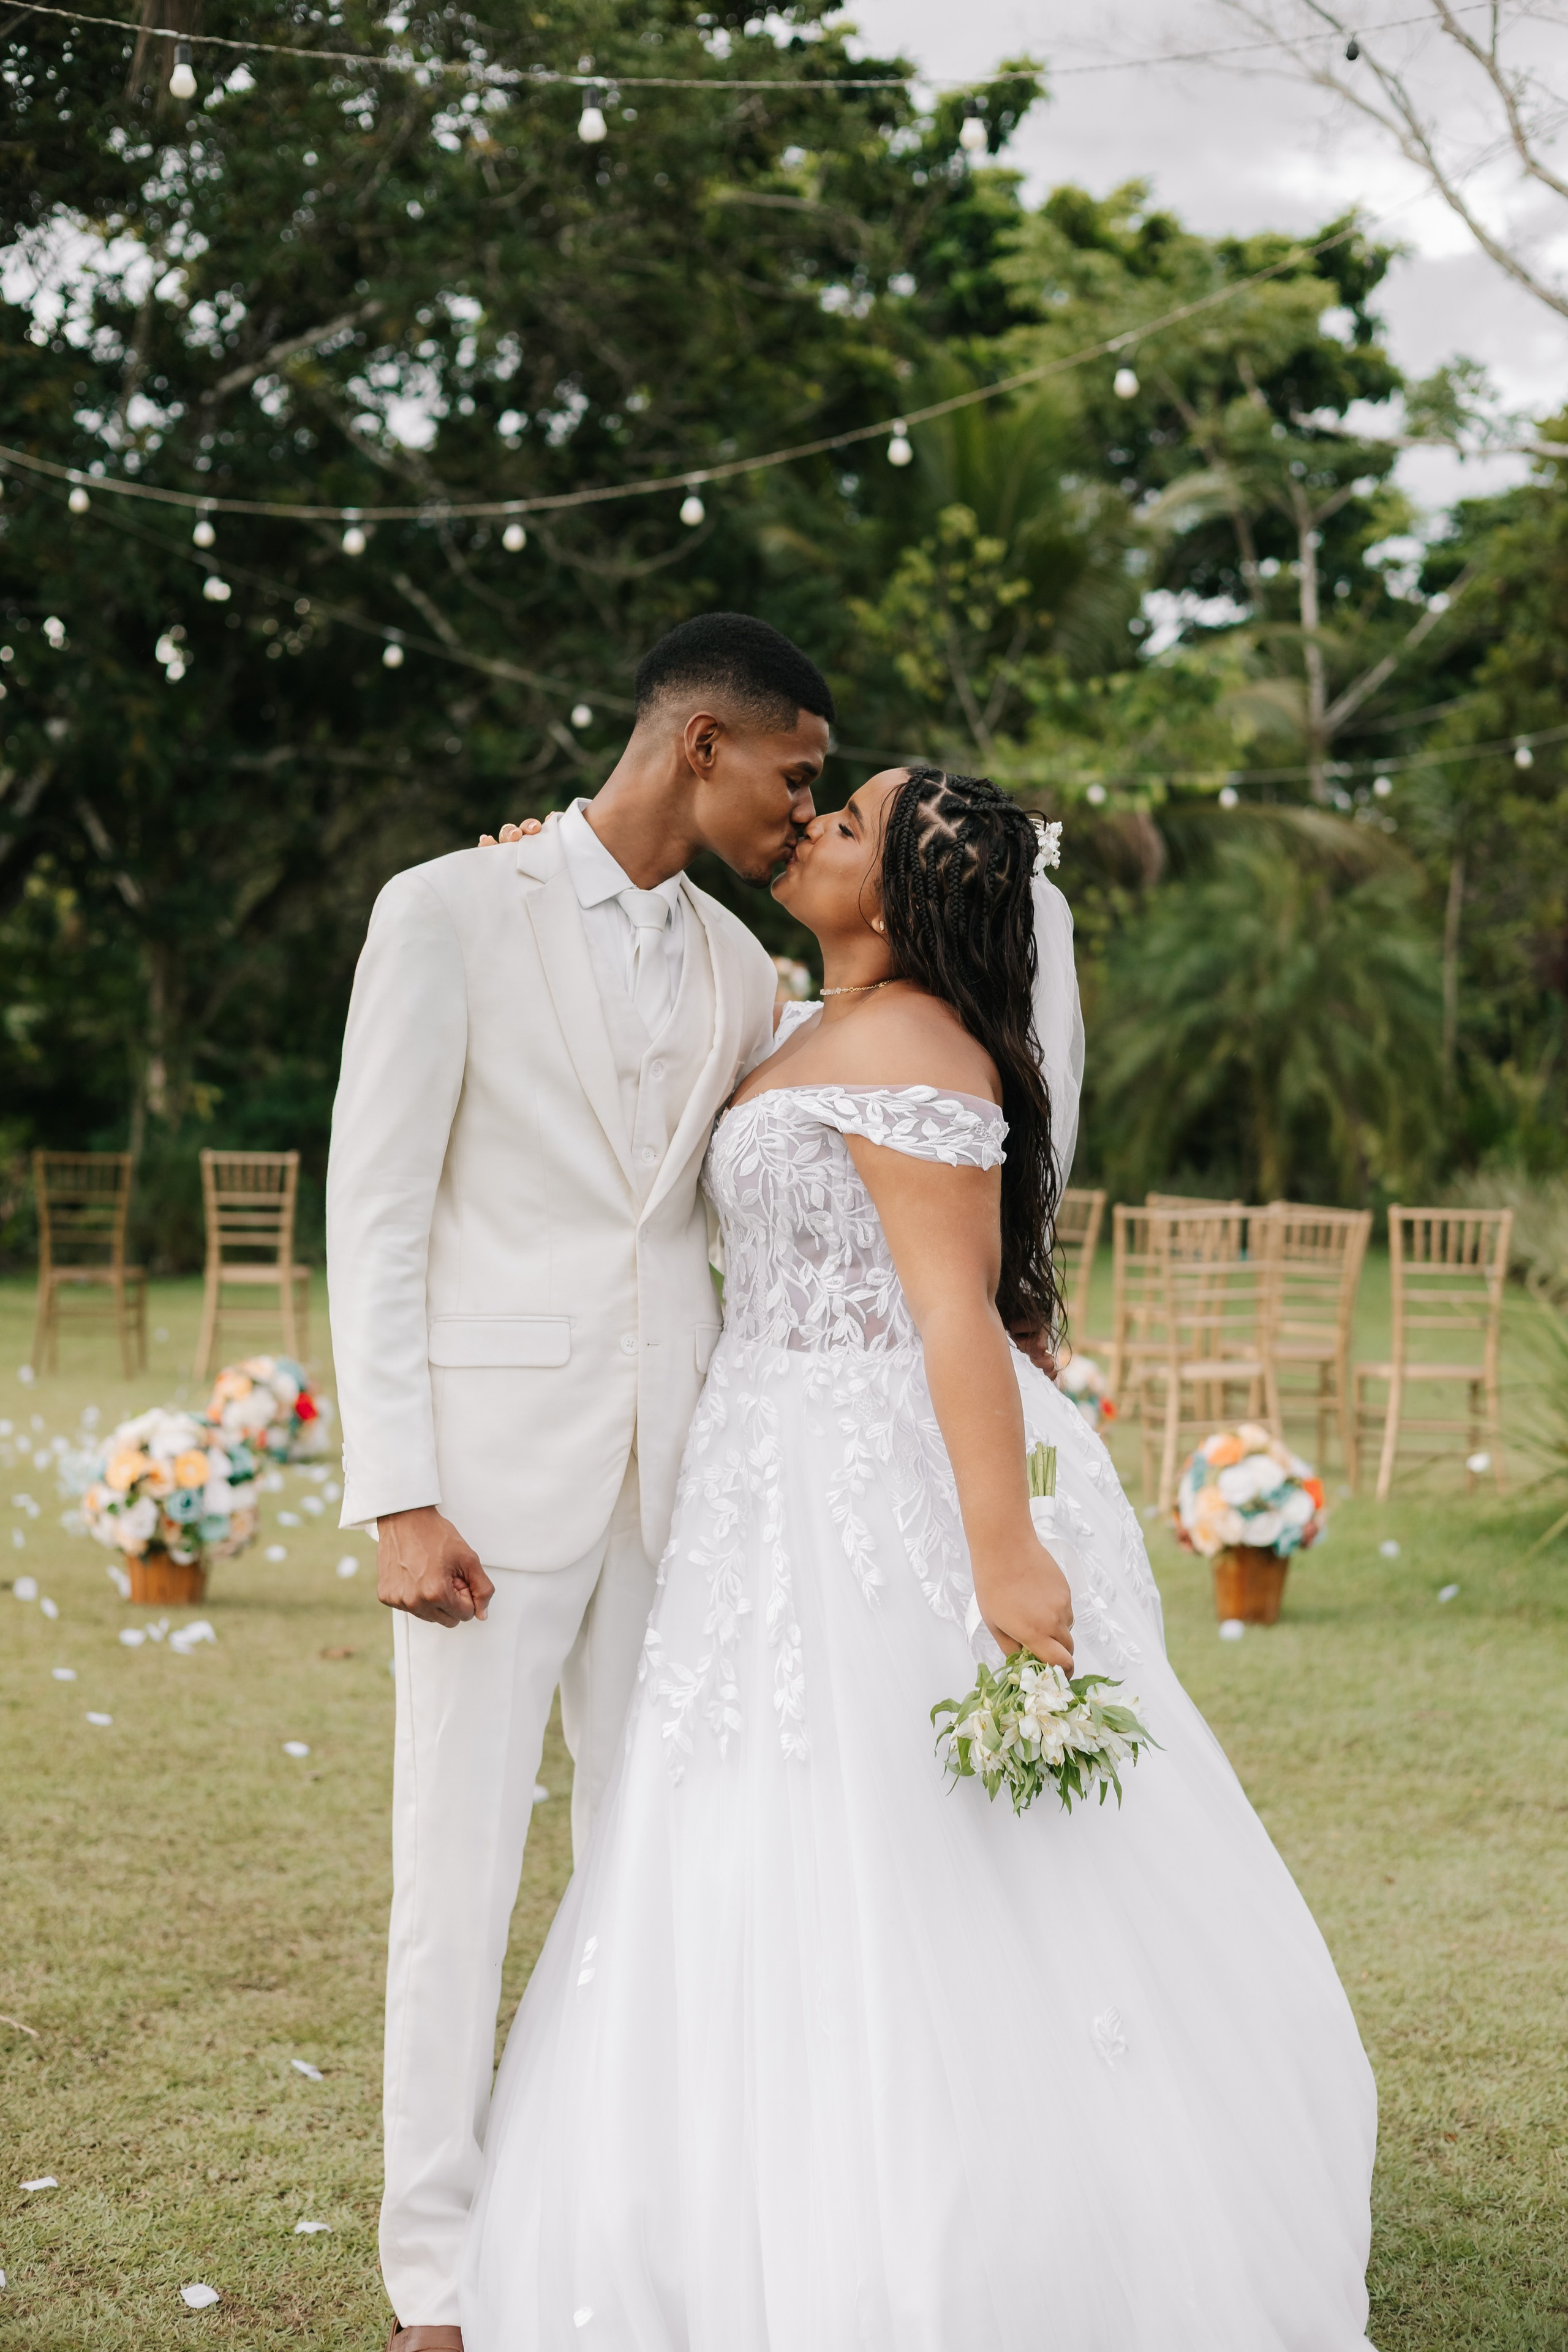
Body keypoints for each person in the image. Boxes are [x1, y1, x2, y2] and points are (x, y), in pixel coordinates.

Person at [459, 767, 1378, 2351]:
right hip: (766, 1482)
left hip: (882, 1480)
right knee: (747, 1825)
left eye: (849, 820)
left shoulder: (919, 1053)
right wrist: (536, 870)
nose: (812, 825)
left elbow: (957, 1313)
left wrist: (1006, 1551)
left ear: (896, 898)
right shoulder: (795, 1021)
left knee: (918, 1844)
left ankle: (976, 2234)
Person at [326, 613, 836, 2352]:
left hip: (669, 1489)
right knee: (453, 1886)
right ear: (705, 745)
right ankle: (441, 2283)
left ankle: (628, 2233)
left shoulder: (742, 970)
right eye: (798, 771)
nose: (803, 809)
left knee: (654, 1876)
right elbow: (377, 1212)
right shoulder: (447, 910)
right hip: (481, 1487)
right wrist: (396, 1491)